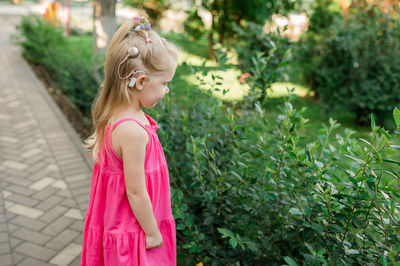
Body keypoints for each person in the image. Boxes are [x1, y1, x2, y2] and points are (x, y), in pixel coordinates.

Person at [81, 16, 179, 266]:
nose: (167, 90)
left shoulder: (125, 115)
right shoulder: (131, 131)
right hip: (134, 231)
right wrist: (153, 232)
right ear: (142, 81)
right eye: (165, 83)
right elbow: (135, 192)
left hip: (132, 223)